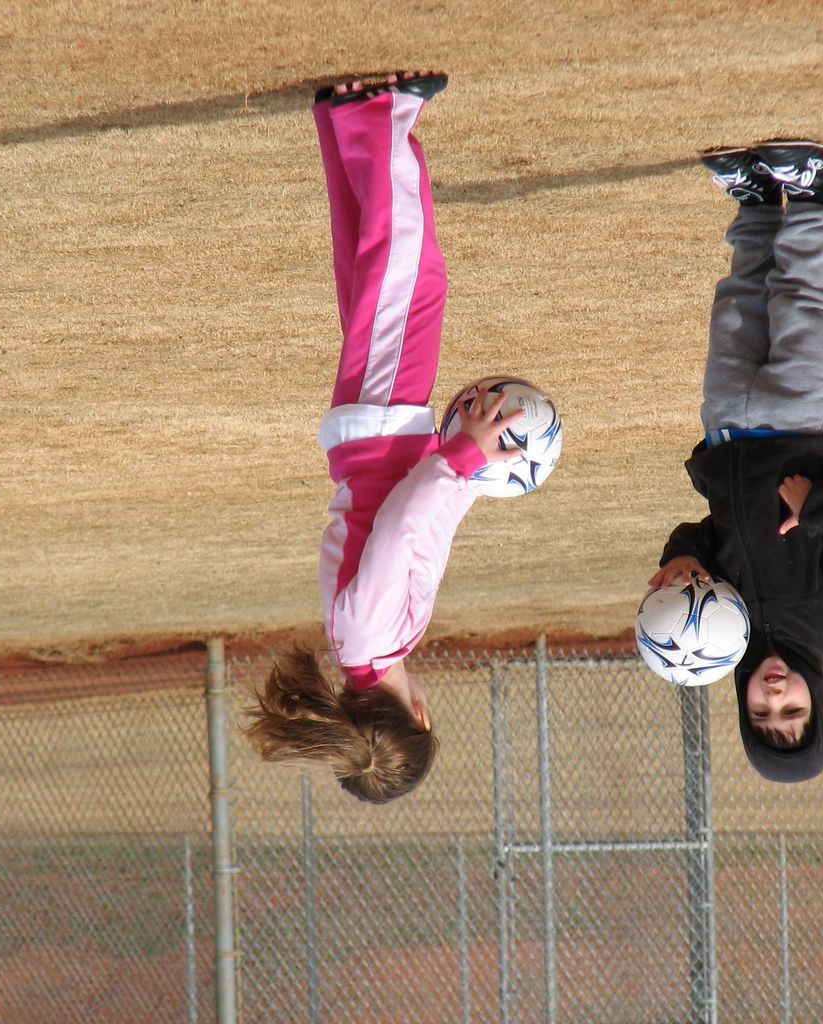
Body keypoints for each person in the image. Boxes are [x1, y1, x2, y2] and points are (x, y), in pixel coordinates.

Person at [246, 72, 522, 804]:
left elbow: (400, 530)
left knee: (413, 277)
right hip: (375, 436)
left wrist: (460, 459)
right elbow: (423, 533)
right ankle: (343, 124)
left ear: (421, 715)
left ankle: (379, 116)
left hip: (382, 431)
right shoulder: (362, 648)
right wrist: (472, 477)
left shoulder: (372, 641)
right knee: (370, 271)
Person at [648, 140, 823, 783]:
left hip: (726, 432)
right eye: (792, 710)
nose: (774, 695)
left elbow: (707, 536)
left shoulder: (719, 635)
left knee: (737, 306)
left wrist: (681, 559)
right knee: (803, 307)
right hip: (798, 425)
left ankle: (756, 204)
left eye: (762, 712)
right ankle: (810, 190)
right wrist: (814, 506)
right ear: (820, 699)